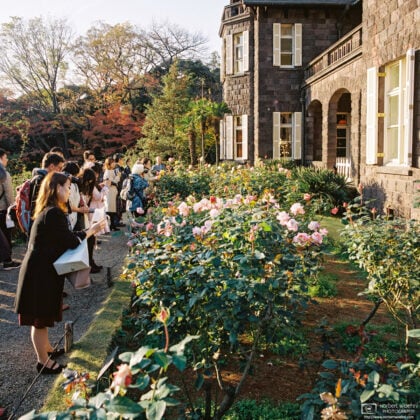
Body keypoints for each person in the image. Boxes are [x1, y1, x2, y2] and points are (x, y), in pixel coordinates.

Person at [14, 172, 106, 374]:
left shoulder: (48, 211)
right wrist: (92, 229)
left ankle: (46, 350)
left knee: (43, 315)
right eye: (66, 187)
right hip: (40, 274)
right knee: (39, 319)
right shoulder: (54, 213)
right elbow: (71, 240)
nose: (68, 192)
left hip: (39, 271)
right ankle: (43, 362)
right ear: (56, 189)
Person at [0, 148, 20, 269]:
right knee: (6, 236)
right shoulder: (4, 174)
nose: (7, 160)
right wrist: (13, 210)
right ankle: (7, 261)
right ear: (1, 158)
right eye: (6, 157)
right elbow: (8, 194)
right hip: (2, 210)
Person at [103, 157, 121, 231]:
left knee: (112, 209)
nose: (114, 164)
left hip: (113, 191)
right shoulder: (108, 172)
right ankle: (111, 225)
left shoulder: (112, 171)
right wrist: (118, 176)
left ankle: (112, 225)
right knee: (110, 209)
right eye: (112, 163)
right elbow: (112, 182)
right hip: (110, 191)